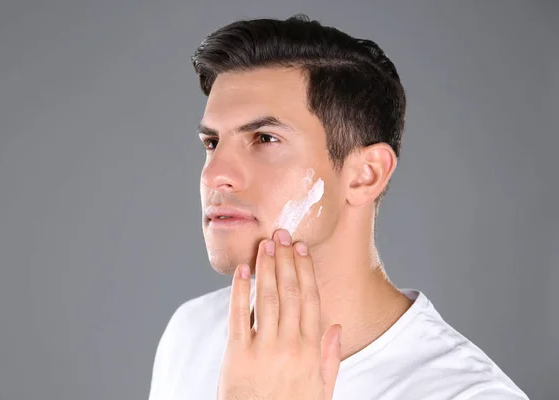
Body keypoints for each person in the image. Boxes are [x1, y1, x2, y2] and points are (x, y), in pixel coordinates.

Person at [148, 14, 529, 399]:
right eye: (212, 143)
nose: (215, 174)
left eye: (264, 138)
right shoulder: (192, 332)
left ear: (365, 174)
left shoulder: (467, 394)